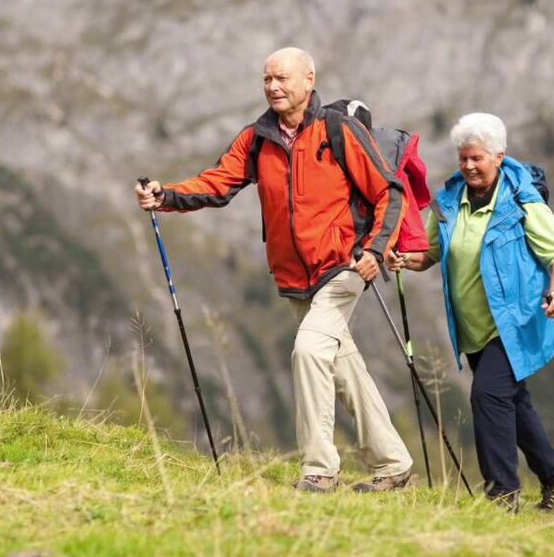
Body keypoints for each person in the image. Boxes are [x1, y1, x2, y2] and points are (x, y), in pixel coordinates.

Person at [135, 47, 413, 493]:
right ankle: (393, 463)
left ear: (309, 79)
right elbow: (218, 182)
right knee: (340, 363)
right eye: (267, 79)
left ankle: (320, 470)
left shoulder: (337, 130)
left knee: (308, 350)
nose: (273, 87)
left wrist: (376, 251)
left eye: (282, 78)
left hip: (343, 266)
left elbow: (389, 191)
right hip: (293, 277)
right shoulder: (257, 137)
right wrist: (165, 194)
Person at [386, 113, 554, 512]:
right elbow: (432, 253)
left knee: (488, 395)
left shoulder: (523, 201)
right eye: (464, 159)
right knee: (514, 402)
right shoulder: (447, 203)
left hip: (517, 322)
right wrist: (405, 258)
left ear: (498, 156)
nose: (469, 166)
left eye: (477, 158)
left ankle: (502, 495)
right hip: (473, 326)